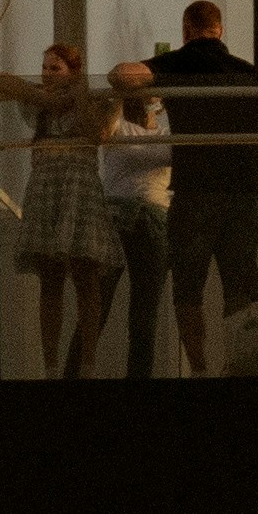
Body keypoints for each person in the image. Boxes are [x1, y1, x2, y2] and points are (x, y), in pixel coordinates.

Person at [147, 0, 258, 376]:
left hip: (194, 191)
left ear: (186, 30)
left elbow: (124, 75)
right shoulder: (248, 73)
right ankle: (239, 365)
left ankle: (200, 369)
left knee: (188, 287)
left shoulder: (176, 65)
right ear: (221, 30)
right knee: (240, 283)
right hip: (239, 193)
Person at [16, 46, 112, 374]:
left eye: (55, 68)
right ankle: (51, 367)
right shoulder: (38, 104)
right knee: (50, 278)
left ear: (73, 70)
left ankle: (89, 364)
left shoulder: (95, 99)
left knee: (86, 276)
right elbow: (2, 82)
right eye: (44, 67)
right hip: (46, 185)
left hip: (79, 185)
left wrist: (76, 96)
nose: (46, 74)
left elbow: (100, 134)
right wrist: (47, 99)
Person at [97, 63, 172, 376]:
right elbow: (116, 75)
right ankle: (76, 373)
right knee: (97, 306)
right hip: (116, 214)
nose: (148, 99)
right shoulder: (117, 123)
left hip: (154, 217)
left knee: (145, 313)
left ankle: (138, 379)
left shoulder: (168, 131)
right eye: (142, 93)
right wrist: (140, 78)